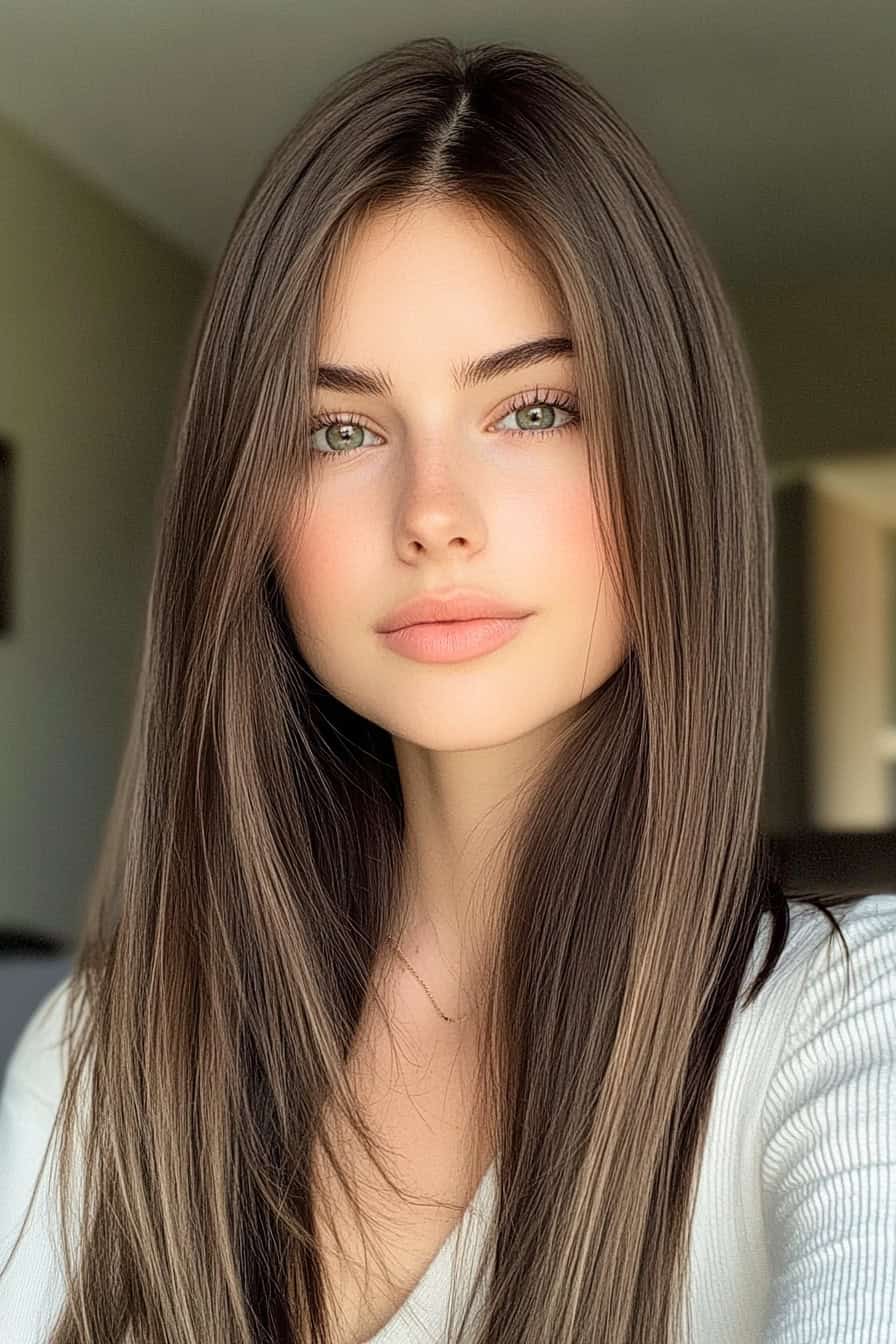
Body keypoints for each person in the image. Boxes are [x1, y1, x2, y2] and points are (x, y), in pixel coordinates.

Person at [1, 34, 894, 1344]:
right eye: (340, 429)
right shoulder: (101, 1054)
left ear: (674, 462)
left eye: (533, 409)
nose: (434, 516)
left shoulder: (845, 1029)